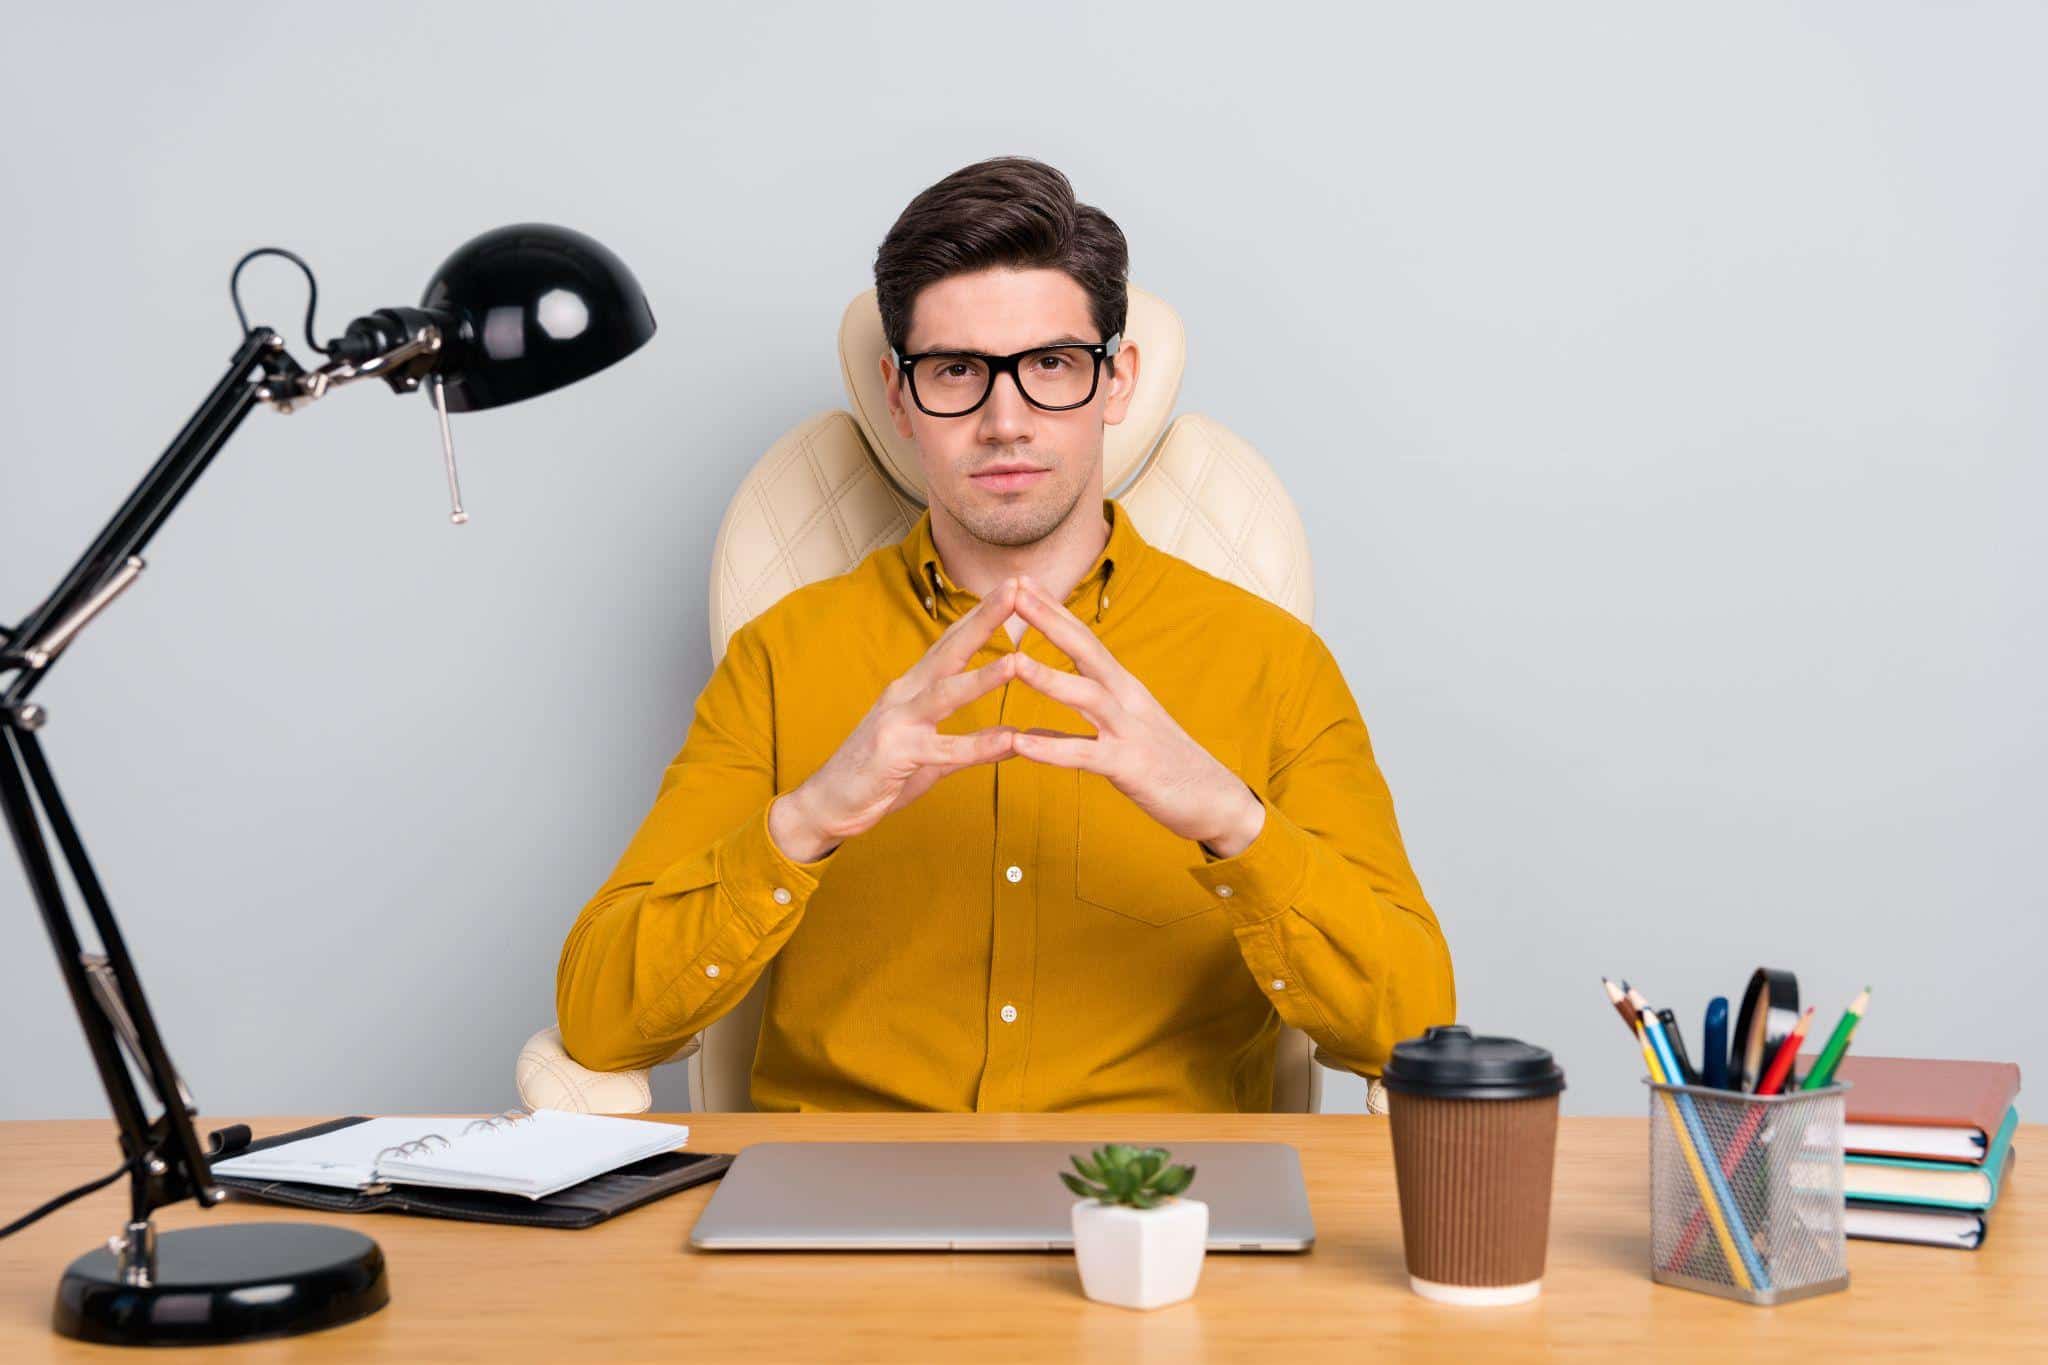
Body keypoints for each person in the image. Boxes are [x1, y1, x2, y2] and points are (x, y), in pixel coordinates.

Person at [556, 156, 1454, 1111]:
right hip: (843, 1217)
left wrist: (1231, 819)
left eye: (1051, 366)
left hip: (1156, 1212)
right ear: (900, 397)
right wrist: (812, 814)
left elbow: (1413, 1025)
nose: (1006, 420)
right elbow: (601, 1023)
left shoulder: (1271, 662)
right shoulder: (782, 655)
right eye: (956, 372)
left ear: (1116, 381)